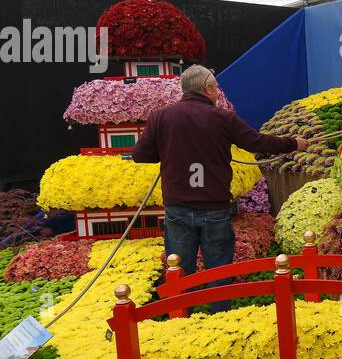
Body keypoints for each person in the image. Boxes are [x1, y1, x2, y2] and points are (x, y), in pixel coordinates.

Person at [131, 65, 309, 312]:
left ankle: (181, 319)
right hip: (214, 207)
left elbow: (140, 155)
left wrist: (169, 153)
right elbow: (257, 142)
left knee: (179, 268)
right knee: (219, 270)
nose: (217, 91)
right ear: (207, 88)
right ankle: (219, 318)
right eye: (215, 86)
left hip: (178, 208)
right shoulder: (223, 118)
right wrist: (294, 144)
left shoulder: (162, 116)